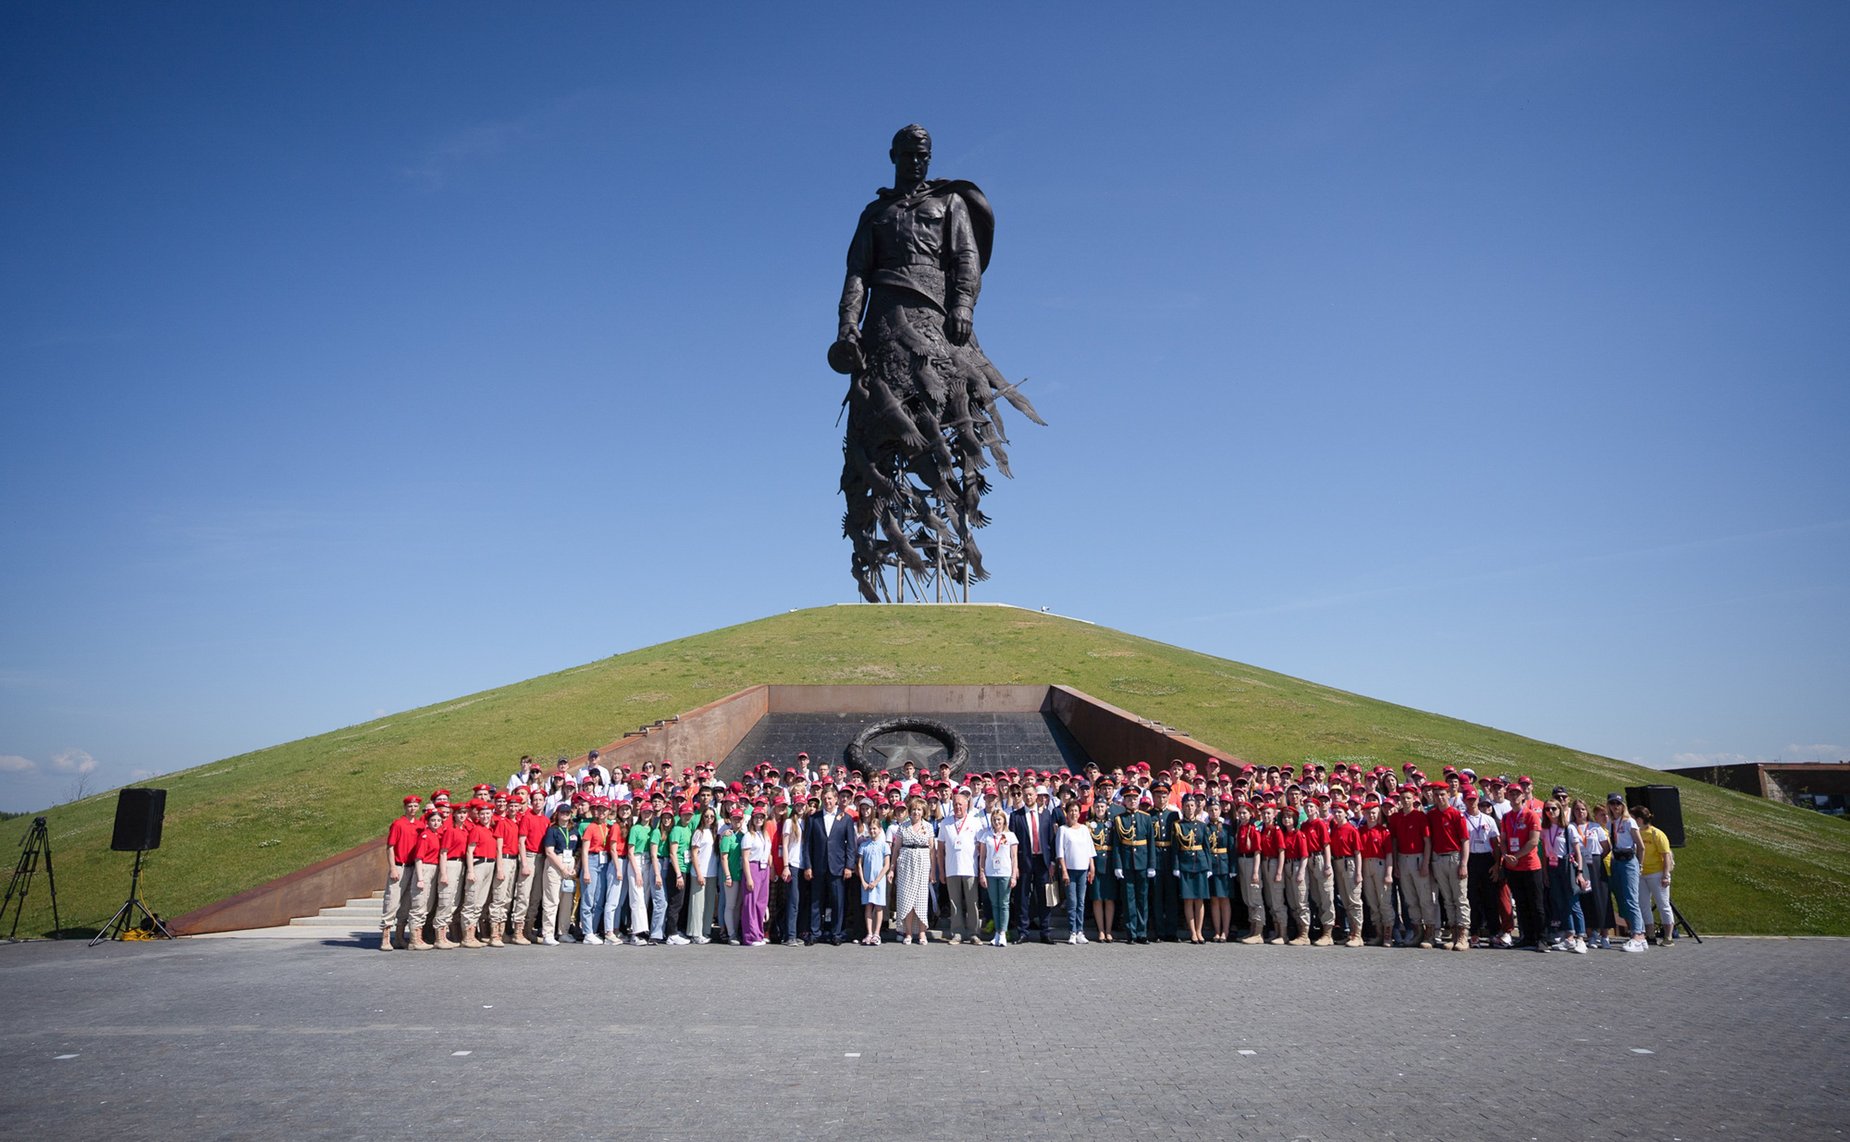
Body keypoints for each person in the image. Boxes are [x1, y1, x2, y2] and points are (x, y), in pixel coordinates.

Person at [833, 124, 1042, 602]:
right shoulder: (876, 213)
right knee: (878, 431)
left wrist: (964, 307)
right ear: (893, 155)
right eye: (907, 154)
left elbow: (966, 259)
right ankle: (877, 548)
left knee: (947, 421)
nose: (915, 161)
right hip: (885, 321)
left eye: (922, 154)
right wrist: (848, 326)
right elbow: (856, 275)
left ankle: (955, 541)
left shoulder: (950, 204)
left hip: (938, 319)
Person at [804, 787, 857, 945]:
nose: (828, 801)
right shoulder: (814, 819)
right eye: (825, 798)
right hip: (818, 866)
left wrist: (849, 866)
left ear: (836, 800)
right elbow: (807, 845)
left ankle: (836, 933)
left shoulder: (846, 819)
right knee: (816, 901)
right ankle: (814, 932)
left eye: (830, 798)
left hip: (838, 867)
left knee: (837, 901)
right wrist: (808, 866)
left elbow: (851, 846)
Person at [1500, 781, 1548, 952]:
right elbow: (1503, 840)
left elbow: (1533, 841)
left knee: (1536, 903)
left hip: (1530, 866)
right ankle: (1526, 936)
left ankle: (1541, 938)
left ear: (1522, 796)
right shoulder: (1506, 817)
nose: (1514, 797)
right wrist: (1506, 856)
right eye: (1511, 794)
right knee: (1520, 903)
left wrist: (1515, 856)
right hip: (1513, 867)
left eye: (1516, 794)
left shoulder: (1531, 815)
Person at [1010, 786, 1059, 943]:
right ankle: (1023, 931)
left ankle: (1045, 931)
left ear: (1036, 795)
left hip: (1042, 861)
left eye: (1030, 794)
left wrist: (1052, 861)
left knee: (1044, 896)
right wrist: (1014, 865)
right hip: (1025, 860)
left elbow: (1051, 840)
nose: (1028, 797)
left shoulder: (1046, 814)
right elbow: (1013, 843)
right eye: (1025, 795)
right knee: (1022, 896)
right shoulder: (1015, 816)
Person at [1425, 783, 1470, 952]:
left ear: (1448, 794)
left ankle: (1463, 934)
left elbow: (1465, 841)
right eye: (1436, 795)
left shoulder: (1456, 815)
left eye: (1442, 794)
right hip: (1438, 858)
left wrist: (1464, 863)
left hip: (1454, 857)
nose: (1439, 798)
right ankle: (1453, 932)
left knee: (1460, 897)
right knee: (1448, 899)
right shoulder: (1432, 815)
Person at [935, 788, 983, 944]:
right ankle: (957, 932)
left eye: (960, 805)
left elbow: (981, 847)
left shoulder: (975, 821)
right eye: (955, 804)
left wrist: (981, 869)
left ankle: (974, 933)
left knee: (972, 902)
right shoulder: (945, 823)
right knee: (954, 902)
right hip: (951, 868)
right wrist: (941, 871)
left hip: (970, 868)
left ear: (967, 804)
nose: (957, 807)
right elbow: (940, 849)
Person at [1540, 800, 1587, 953]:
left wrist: (1579, 873)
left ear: (1560, 810)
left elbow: (1578, 852)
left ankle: (1581, 937)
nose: (1550, 812)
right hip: (1552, 866)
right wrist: (1545, 873)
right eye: (1547, 809)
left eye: (1553, 808)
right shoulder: (1545, 829)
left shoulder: (1568, 828)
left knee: (1573, 902)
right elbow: (1546, 854)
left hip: (1566, 865)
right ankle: (1569, 936)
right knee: (1560, 902)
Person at [1606, 794, 1649, 952]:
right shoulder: (1612, 823)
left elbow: (1640, 846)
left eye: (1618, 803)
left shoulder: (1629, 821)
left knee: (1631, 898)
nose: (1615, 806)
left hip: (1629, 860)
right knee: (1621, 898)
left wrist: (1640, 865)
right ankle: (1638, 932)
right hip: (1616, 860)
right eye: (1612, 803)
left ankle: (1638, 934)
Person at [380, 794, 422, 950]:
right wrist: (392, 867)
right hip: (399, 866)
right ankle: (385, 937)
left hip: (413, 868)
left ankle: (399, 936)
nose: (412, 809)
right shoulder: (398, 824)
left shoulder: (419, 825)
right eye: (410, 806)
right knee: (391, 901)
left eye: (415, 806)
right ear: (405, 808)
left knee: (407, 904)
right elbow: (390, 847)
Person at [891, 794, 935, 944]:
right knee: (906, 899)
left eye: (919, 810)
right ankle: (908, 933)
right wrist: (892, 868)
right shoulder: (903, 826)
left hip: (922, 864)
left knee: (921, 899)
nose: (916, 812)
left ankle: (922, 933)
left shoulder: (928, 827)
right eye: (914, 809)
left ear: (923, 811)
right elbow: (896, 849)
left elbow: (932, 850)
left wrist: (933, 871)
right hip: (906, 865)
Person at [1114, 792, 1154, 943]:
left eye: (1134, 798)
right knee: (1128, 899)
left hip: (1143, 863)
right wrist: (1118, 865)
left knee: (1142, 899)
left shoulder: (1146, 817)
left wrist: (1151, 865)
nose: (1132, 801)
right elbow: (1117, 845)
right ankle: (1131, 933)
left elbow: (1150, 843)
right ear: (1124, 801)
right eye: (1129, 798)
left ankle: (1142, 932)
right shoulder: (1119, 819)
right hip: (1127, 864)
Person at [976, 805, 1019, 946]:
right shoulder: (986, 836)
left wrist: (1013, 875)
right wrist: (982, 873)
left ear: (1004, 821)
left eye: (999, 820)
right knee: (994, 904)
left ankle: (1003, 933)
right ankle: (997, 932)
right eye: (995, 820)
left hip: (1005, 873)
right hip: (991, 873)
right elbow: (982, 857)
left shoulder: (1010, 836)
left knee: (1004, 904)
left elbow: (1014, 857)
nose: (997, 823)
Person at [403, 806, 445, 951]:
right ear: (427, 822)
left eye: (438, 820)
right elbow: (419, 858)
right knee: (419, 904)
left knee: (427, 904)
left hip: (434, 869)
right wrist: (420, 878)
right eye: (433, 820)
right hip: (425, 869)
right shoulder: (425, 836)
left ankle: (419, 937)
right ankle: (415, 939)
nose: (436, 823)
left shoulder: (436, 835)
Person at [1054, 804, 1097, 944]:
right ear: (1067, 813)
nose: (1073, 813)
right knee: (1072, 902)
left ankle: (1080, 931)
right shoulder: (1063, 830)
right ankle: (1072, 931)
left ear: (1079, 813)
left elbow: (1090, 850)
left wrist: (1092, 868)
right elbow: (1060, 853)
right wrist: (1064, 871)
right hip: (1070, 871)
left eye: (1076, 811)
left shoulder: (1084, 829)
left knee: (1081, 902)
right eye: (1071, 811)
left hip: (1083, 870)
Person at [1172, 794, 1211, 944]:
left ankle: (1200, 931)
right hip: (1185, 864)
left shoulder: (1202, 826)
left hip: (1200, 864)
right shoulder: (1178, 825)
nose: (1189, 808)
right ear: (1182, 807)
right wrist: (1176, 866)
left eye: (1192, 806)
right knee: (1188, 900)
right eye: (1187, 806)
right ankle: (1192, 932)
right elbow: (1176, 849)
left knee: (1200, 900)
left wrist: (1208, 866)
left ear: (1196, 807)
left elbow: (1206, 847)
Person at [1637, 805, 1677, 947]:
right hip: (1641, 874)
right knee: (1643, 905)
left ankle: (1668, 936)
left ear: (1640, 819)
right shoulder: (1636, 833)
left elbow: (1666, 856)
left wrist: (1666, 875)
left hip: (1657, 874)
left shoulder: (1656, 834)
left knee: (1663, 904)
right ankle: (1650, 934)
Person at [536, 805, 576, 947]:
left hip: (569, 863)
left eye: (568, 812)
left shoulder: (573, 829)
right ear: (557, 814)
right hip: (555, 863)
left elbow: (577, 850)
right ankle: (548, 933)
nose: (565, 815)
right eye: (562, 812)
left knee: (567, 901)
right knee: (551, 900)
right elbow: (549, 851)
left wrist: (574, 868)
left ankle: (563, 932)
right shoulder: (552, 830)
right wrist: (562, 868)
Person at [1575, 799, 1612, 949]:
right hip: (1581, 864)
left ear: (1587, 811)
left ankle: (1605, 934)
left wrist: (1596, 859)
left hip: (1596, 863)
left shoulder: (1596, 827)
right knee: (1586, 899)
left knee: (1602, 898)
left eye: (1583, 809)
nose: (1580, 812)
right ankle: (1591, 934)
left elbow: (1606, 847)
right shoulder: (1572, 827)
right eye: (1577, 809)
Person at [741, 806, 774, 947]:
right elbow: (745, 858)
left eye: (761, 817)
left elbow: (768, 853)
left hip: (764, 868)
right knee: (750, 904)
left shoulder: (765, 834)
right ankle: (750, 936)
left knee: (761, 903)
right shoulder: (749, 836)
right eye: (756, 817)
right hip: (753, 868)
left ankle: (759, 933)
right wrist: (748, 877)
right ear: (752, 819)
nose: (759, 819)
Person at [856, 809, 891, 945]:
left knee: (879, 907)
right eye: (870, 829)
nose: (872, 831)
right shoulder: (864, 845)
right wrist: (864, 881)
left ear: (880, 829)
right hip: (866, 881)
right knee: (868, 906)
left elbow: (886, 865)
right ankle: (869, 933)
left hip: (879, 881)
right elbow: (859, 864)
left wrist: (877, 881)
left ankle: (877, 933)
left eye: (875, 829)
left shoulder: (884, 846)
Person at [1087, 796, 1119, 943]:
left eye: (1102, 807)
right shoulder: (1089, 825)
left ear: (1106, 808)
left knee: (1110, 898)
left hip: (1109, 864)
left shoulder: (1111, 824)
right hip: (1095, 863)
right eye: (1097, 807)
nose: (1100, 809)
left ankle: (1108, 930)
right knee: (1097, 898)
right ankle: (1100, 930)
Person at [686, 807, 720, 945]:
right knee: (697, 904)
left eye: (712, 816)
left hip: (712, 872)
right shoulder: (698, 833)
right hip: (699, 873)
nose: (709, 819)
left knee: (709, 904)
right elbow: (694, 854)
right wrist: (699, 873)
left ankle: (705, 930)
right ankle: (695, 933)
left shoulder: (714, 833)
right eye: (706, 816)